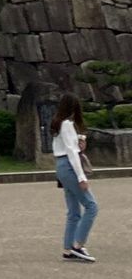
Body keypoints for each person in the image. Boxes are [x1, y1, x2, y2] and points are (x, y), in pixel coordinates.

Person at [50, 93, 98, 262]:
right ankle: (77, 245)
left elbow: (67, 147)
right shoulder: (67, 124)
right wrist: (81, 177)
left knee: (74, 211)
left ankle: (68, 248)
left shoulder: (57, 123)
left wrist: (79, 145)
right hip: (69, 166)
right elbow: (71, 152)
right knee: (91, 206)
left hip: (61, 165)